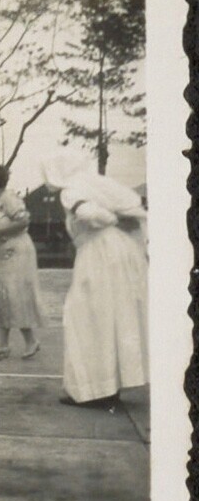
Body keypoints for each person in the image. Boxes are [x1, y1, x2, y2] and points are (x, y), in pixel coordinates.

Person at [39, 154, 149, 406]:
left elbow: (88, 213)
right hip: (121, 250)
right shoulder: (96, 183)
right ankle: (111, 386)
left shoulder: (70, 191)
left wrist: (110, 218)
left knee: (88, 319)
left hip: (97, 253)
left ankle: (94, 389)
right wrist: (117, 218)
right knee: (115, 317)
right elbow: (132, 209)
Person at [0, 164, 44, 360]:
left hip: (17, 253)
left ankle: (31, 341)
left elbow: (23, 222)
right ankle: (2, 344)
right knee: (1, 296)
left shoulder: (9, 198)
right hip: (1, 253)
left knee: (15, 295)